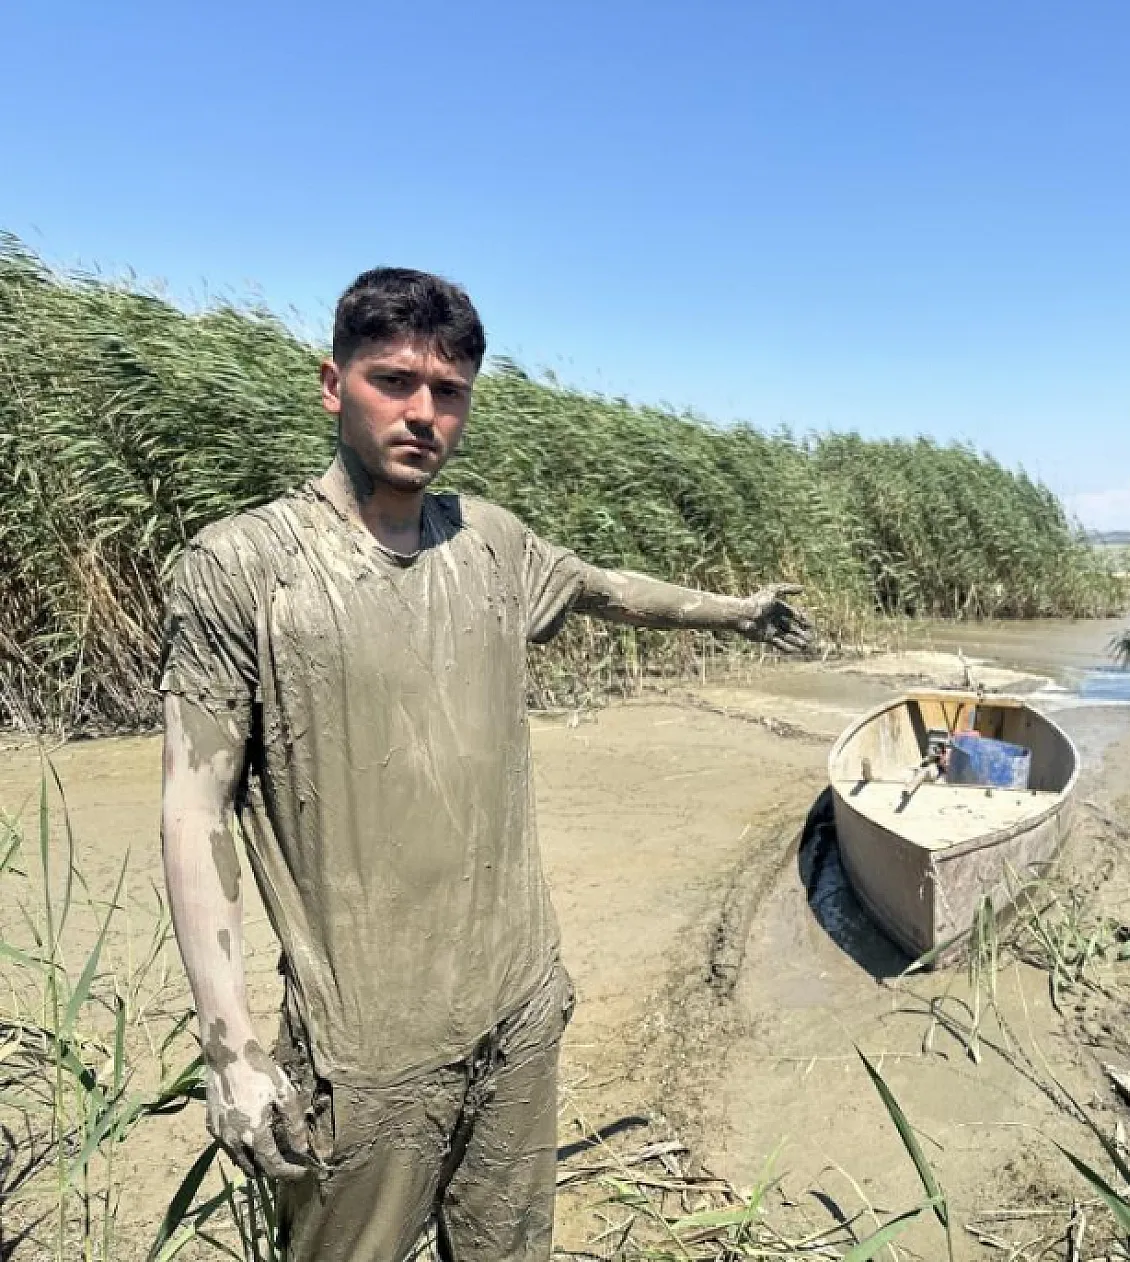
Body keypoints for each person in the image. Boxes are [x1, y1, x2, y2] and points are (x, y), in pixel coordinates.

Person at [158, 267, 813, 1261]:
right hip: (364, 1049)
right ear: (332, 384)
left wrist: (738, 610)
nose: (421, 411)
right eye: (392, 380)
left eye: (448, 390)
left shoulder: (491, 544)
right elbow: (191, 808)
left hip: (517, 1011)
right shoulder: (245, 566)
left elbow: (606, 588)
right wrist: (232, 1048)